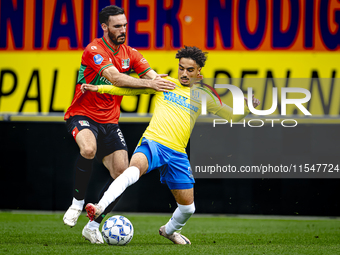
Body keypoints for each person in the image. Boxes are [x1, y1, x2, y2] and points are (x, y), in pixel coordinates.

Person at [81, 46, 260, 244]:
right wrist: (100, 88)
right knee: (132, 171)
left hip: (177, 154)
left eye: (189, 70)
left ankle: (169, 230)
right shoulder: (165, 84)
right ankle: (99, 207)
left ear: (199, 71)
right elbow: (129, 89)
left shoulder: (204, 95)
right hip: (154, 142)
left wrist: (247, 107)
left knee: (188, 208)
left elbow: (230, 115)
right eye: (181, 68)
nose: (184, 73)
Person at [63, 5, 175, 244]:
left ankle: (93, 226)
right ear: (104, 27)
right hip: (82, 114)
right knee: (88, 149)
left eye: (125, 25)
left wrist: (173, 84)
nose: (123, 29)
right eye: (117, 26)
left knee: (122, 175)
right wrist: (150, 85)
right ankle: (77, 202)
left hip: (110, 122)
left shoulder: (131, 53)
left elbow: (154, 77)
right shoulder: (94, 50)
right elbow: (115, 77)